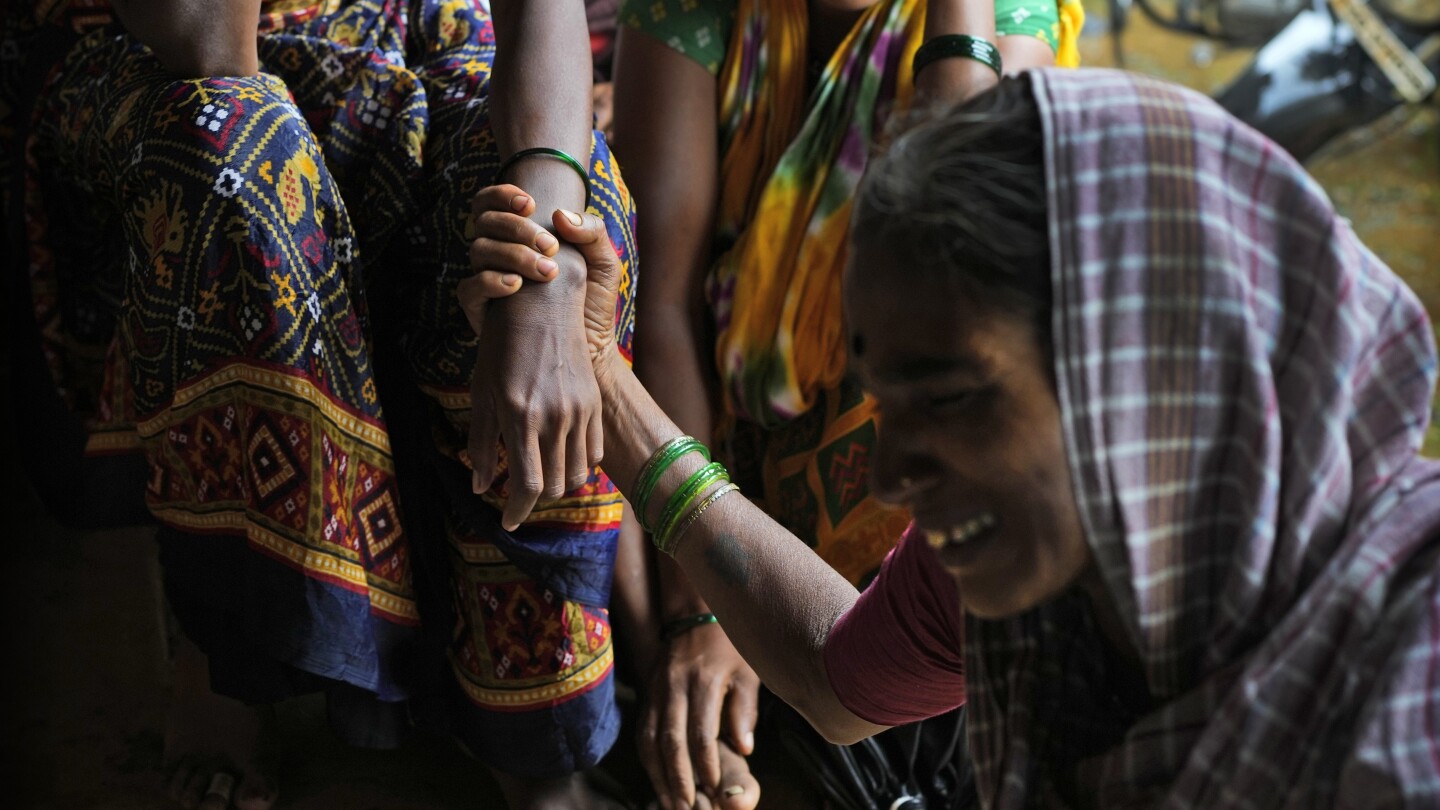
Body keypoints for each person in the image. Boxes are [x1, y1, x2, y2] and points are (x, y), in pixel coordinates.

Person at [464, 68, 1440, 808]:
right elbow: (834, 678)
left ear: (1147, 370)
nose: (890, 477)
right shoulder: (1051, 571)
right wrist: (604, 379)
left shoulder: (1410, 686)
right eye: (890, 402)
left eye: (953, 397)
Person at [6, 1, 638, 808]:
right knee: (231, 154)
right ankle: (226, 654)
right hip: (156, 46)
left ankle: (533, 720)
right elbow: (207, 45)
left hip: (411, 24)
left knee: (572, 217)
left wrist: (546, 289)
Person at [606, 0, 1081, 806]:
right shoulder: (697, 10)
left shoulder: (1009, 18)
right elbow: (665, 306)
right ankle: (710, 673)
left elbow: (951, 262)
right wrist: (704, 609)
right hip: (719, 443)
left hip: (897, 528)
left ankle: (837, 684)